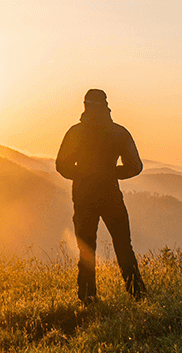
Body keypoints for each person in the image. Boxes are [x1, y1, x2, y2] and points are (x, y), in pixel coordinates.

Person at [56, 88, 146, 303]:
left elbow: (62, 166)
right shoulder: (119, 132)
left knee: (86, 248)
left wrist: (83, 174)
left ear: (85, 106)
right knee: (123, 245)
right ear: (106, 106)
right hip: (111, 194)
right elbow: (135, 167)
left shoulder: (75, 132)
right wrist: (111, 173)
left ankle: (87, 297)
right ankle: (137, 294)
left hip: (83, 195)